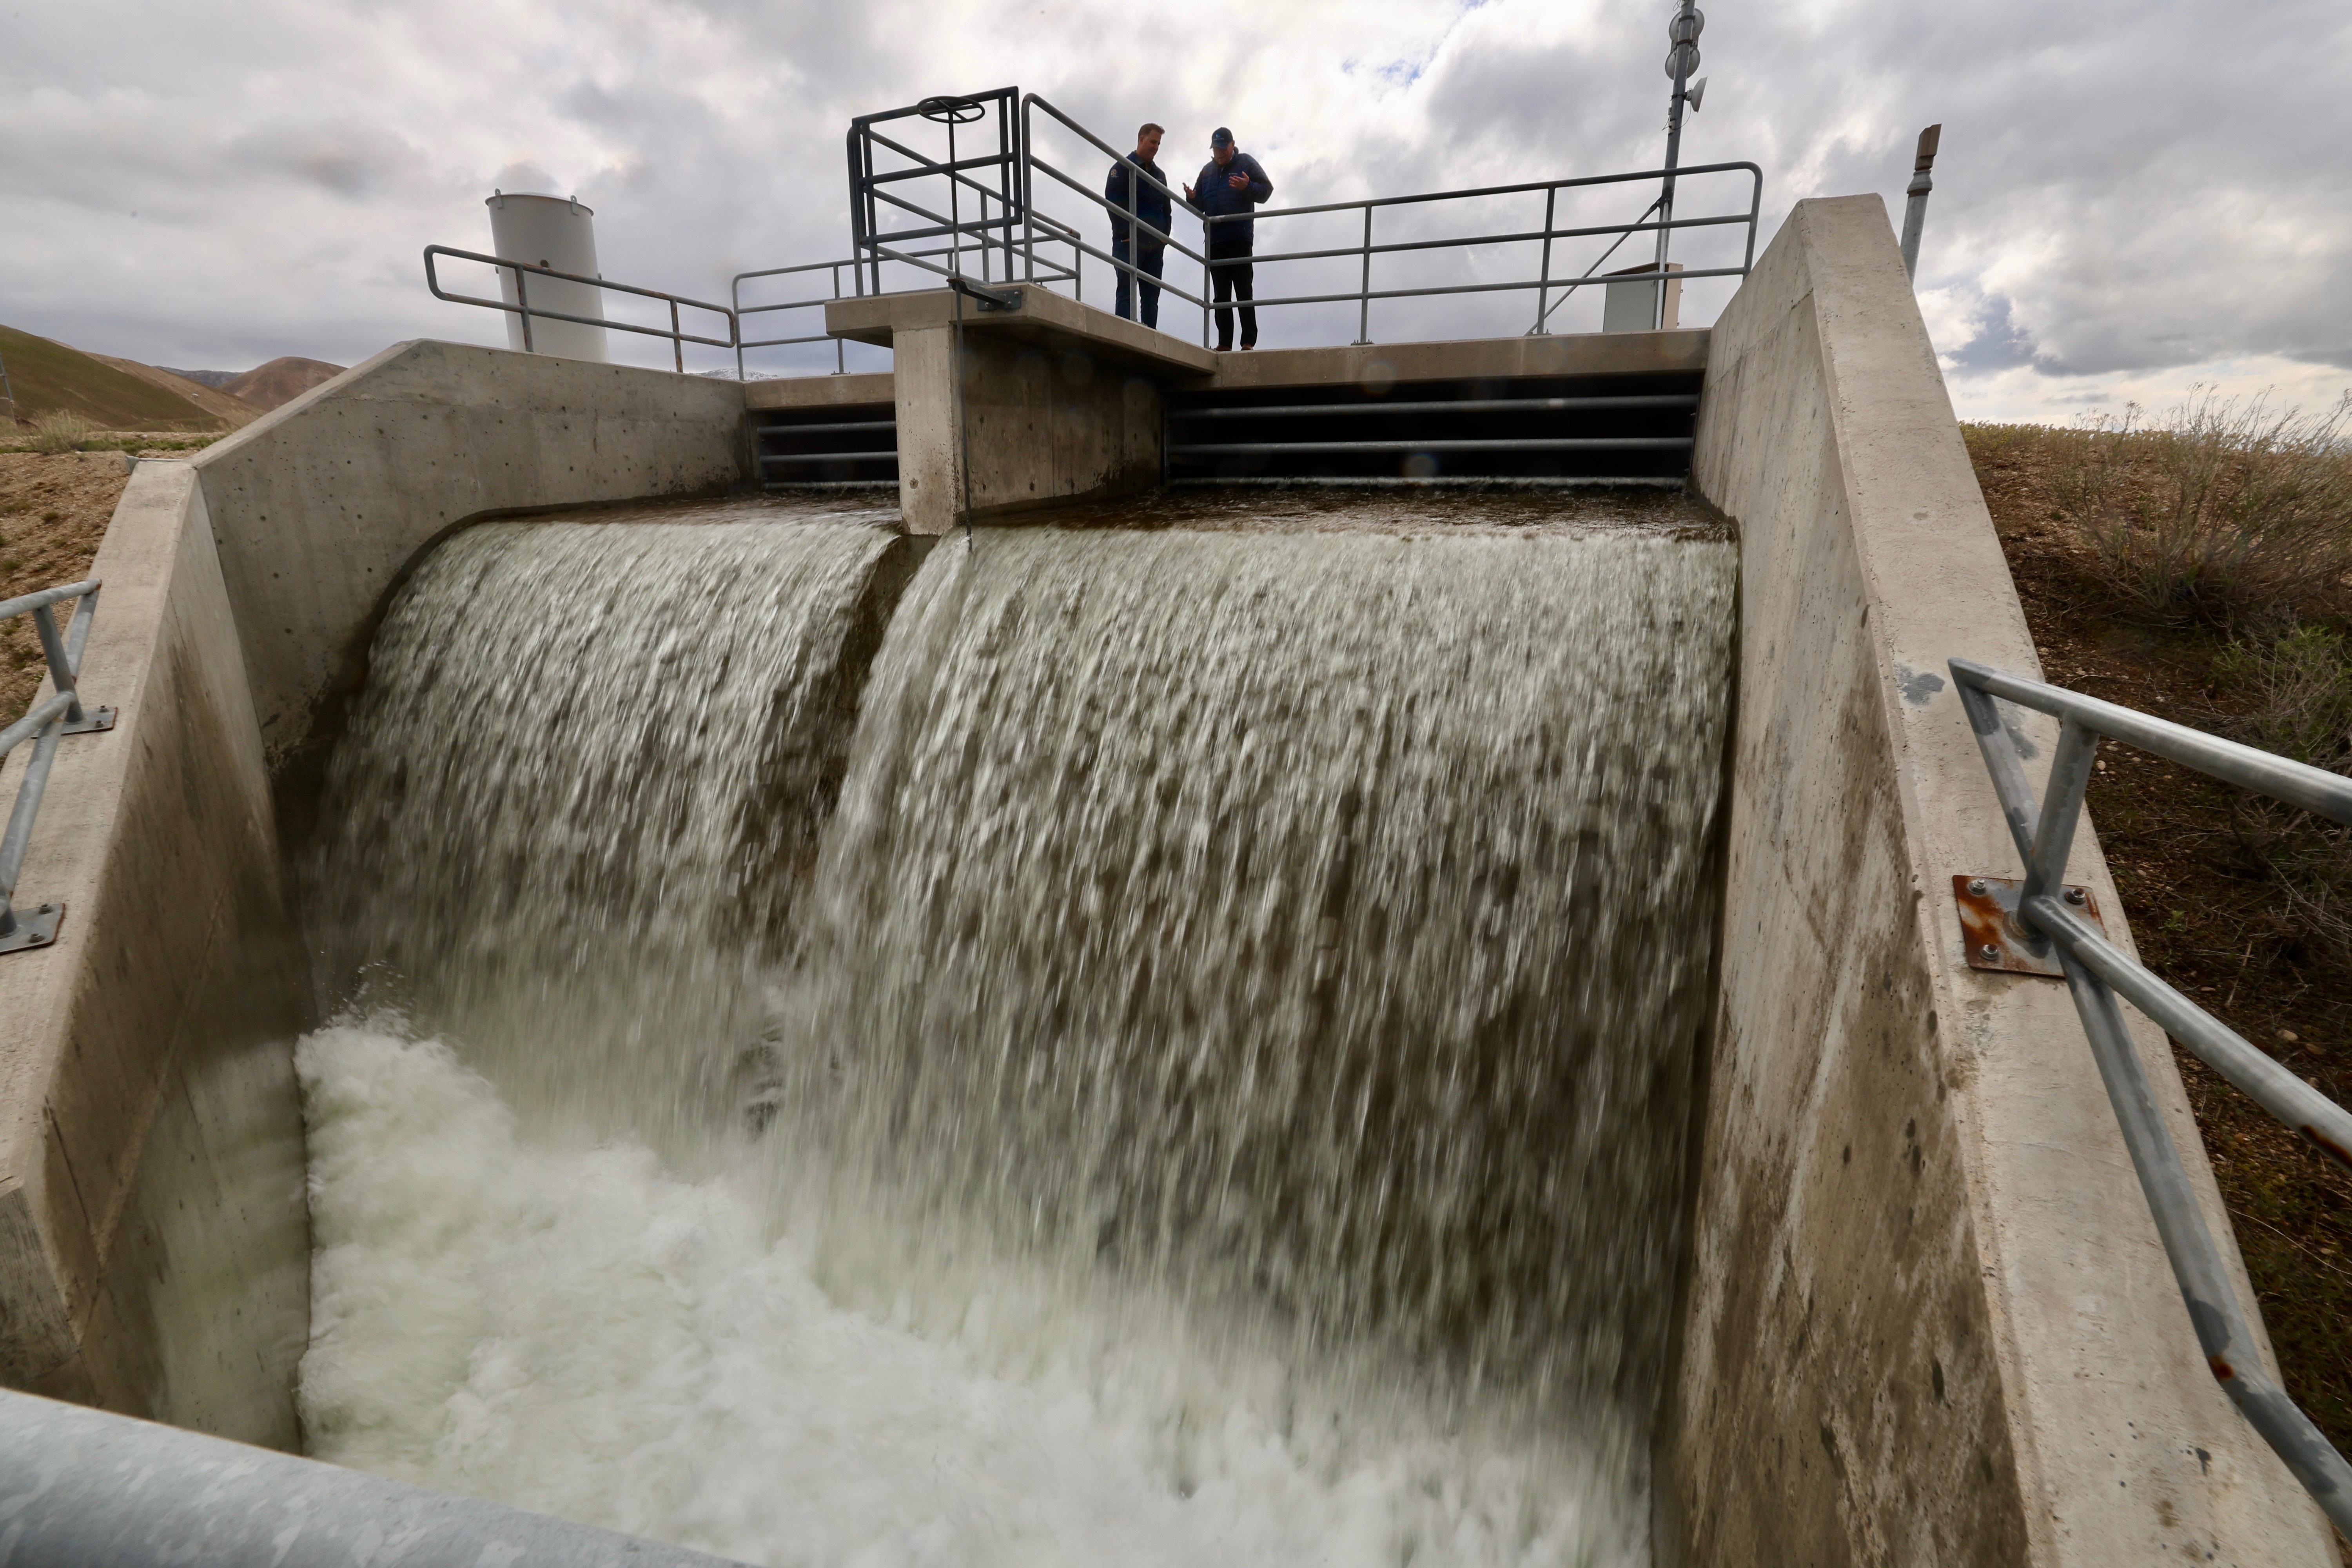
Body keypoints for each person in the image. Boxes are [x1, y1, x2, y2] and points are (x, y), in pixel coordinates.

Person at [1183, 127, 1272, 350]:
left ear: (1233, 145)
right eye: (1216, 149)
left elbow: (1267, 191)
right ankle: (1224, 343)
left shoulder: (1246, 163)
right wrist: (1192, 198)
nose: (1220, 153)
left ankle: (1248, 341)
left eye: (1223, 148)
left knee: (1243, 291)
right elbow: (1201, 205)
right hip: (1215, 241)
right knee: (1221, 295)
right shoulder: (1207, 171)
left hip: (1240, 238)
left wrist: (1247, 187)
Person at [1105, 123, 1171, 329]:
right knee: (1126, 293)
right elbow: (1113, 201)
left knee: (1151, 299)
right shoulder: (1122, 168)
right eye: (1153, 142)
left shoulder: (1160, 175)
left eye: (1159, 143)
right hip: (1129, 242)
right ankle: (1124, 337)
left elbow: (1166, 209)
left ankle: (1150, 340)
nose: (1156, 147)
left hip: (1154, 247)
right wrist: (1126, 232)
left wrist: (1163, 238)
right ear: (1141, 139)